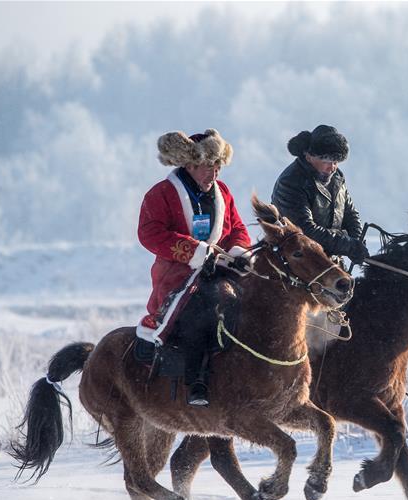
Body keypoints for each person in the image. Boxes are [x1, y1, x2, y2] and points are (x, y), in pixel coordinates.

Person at [136, 128, 251, 406]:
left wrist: (238, 251)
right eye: (209, 166)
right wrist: (194, 252)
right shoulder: (161, 194)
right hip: (178, 274)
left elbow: (237, 228)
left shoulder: (223, 192)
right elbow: (149, 233)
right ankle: (196, 381)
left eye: (218, 166)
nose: (215, 173)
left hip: (220, 270)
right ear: (190, 164)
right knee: (202, 311)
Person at [271, 125, 368, 263]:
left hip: (328, 261)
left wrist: (356, 242)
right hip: (297, 263)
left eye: (336, 162)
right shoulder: (291, 182)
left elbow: (350, 214)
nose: (332, 167)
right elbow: (305, 230)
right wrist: (347, 246)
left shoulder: (337, 177)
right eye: (327, 161)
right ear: (309, 156)